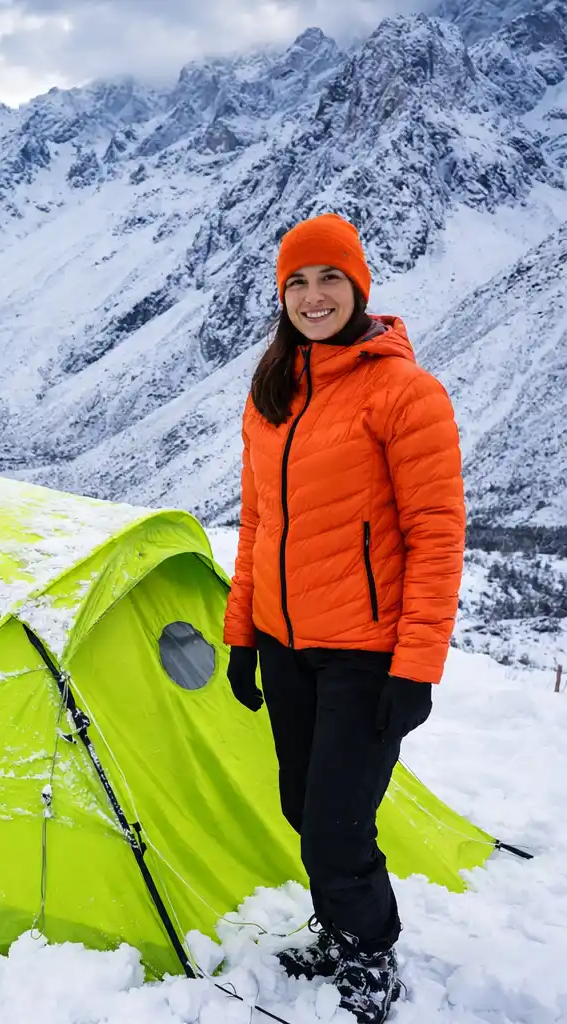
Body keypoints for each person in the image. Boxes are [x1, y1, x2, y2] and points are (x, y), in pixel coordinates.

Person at [222, 213, 465, 1024]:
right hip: (288, 649)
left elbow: (436, 534)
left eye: (330, 279)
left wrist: (417, 666)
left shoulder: (404, 392)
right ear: (281, 294)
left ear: (358, 286)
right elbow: (256, 523)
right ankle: (341, 927)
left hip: (366, 654)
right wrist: (241, 637)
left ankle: (370, 955)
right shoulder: (273, 393)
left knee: (334, 824)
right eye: (297, 282)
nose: (314, 296)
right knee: (303, 806)